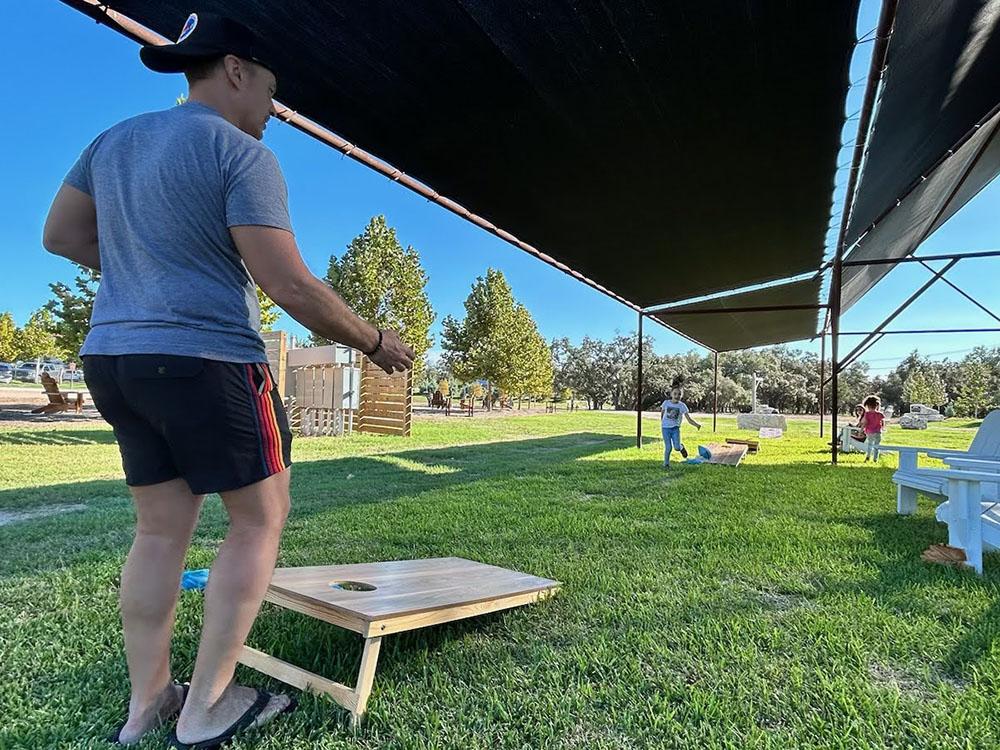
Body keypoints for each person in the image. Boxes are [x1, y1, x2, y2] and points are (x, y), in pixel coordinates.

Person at [41, 12, 414, 748]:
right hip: (207, 359)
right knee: (258, 520)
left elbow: (61, 237)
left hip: (115, 358)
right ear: (237, 69)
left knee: (158, 532)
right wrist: (375, 342)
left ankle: (146, 703)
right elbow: (290, 285)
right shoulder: (240, 154)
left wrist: (148, 265)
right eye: (273, 93)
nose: (274, 113)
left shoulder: (111, 142)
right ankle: (206, 707)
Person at [660, 386, 701, 468]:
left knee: (677, 447)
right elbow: (662, 413)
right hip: (665, 429)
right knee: (668, 448)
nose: (677, 396)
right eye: (675, 394)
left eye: (679, 394)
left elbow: (689, 419)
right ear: (671, 394)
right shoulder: (666, 403)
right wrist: (663, 423)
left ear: (681, 396)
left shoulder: (682, 406)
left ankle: (681, 447)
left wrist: (696, 425)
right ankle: (666, 464)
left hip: (675, 429)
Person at [861, 395, 885, 462]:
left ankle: (868, 456)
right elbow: (882, 422)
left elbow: (865, 422)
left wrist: (861, 429)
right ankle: (875, 458)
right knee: (877, 446)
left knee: (870, 444)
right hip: (878, 432)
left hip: (869, 432)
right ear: (877, 405)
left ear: (867, 405)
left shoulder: (867, 414)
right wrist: (883, 428)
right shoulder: (880, 414)